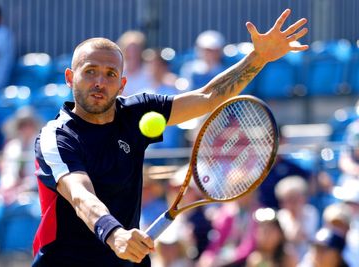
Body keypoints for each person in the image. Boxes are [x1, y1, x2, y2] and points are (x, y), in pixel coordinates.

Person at [32, 9, 308, 266]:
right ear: (70, 77)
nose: (100, 82)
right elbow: (81, 196)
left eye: (110, 74)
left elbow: (208, 97)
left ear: (122, 83)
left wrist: (258, 57)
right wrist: (114, 234)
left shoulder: (136, 113)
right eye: (90, 71)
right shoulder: (55, 138)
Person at [275, 175, 319, 260]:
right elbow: (292, 238)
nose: (293, 203)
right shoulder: (280, 217)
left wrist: (298, 216)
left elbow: (300, 237)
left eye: (295, 198)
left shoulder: (311, 212)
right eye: (288, 199)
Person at [117, 31, 154, 96]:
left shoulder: (151, 72)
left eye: (136, 50)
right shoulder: (117, 71)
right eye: (129, 50)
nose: (132, 54)